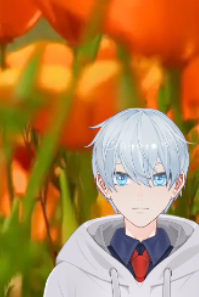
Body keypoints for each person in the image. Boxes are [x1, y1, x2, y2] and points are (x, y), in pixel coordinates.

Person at [44, 108, 199, 296]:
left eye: (157, 179)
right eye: (123, 178)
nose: (140, 193)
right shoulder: (71, 276)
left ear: (177, 183)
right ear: (103, 184)